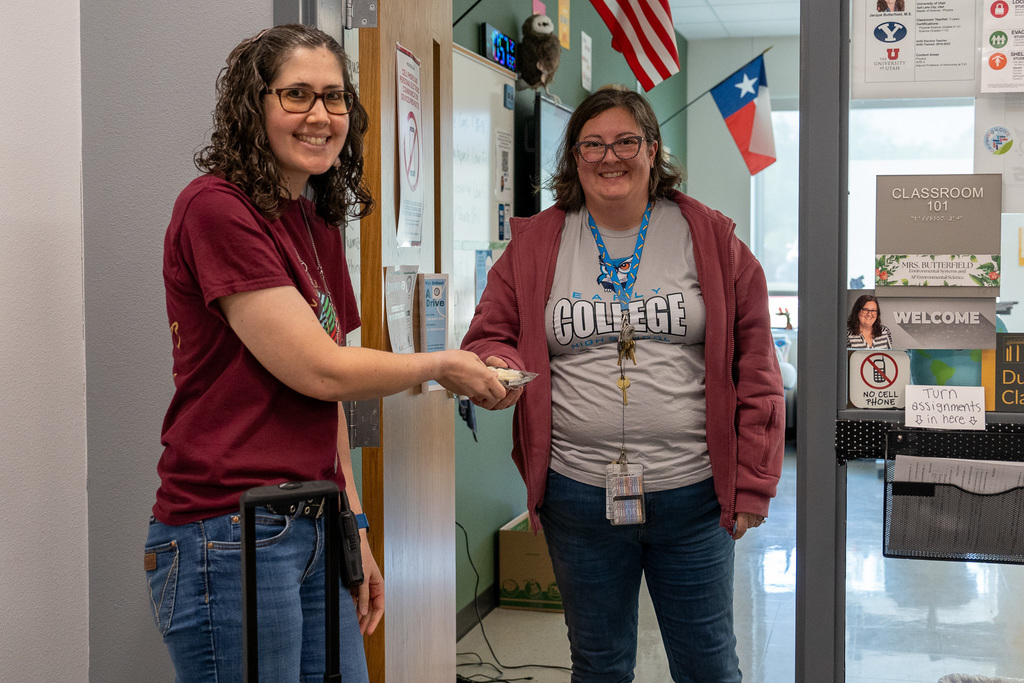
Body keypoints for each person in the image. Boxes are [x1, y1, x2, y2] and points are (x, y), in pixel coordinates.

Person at [143, 24, 506, 683]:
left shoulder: (314, 223)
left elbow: (328, 394)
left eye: (335, 98)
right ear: (254, 106)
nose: (320, 115)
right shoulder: (214, 209)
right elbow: (317, 364)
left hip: (312, 519)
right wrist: (442, 365)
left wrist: (354, 524)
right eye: (297, 95)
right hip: (230, 529)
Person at [461, 85, 785, 683]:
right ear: (574, 158)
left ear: (653, 150)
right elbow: (488, 333)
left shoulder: (711, 240)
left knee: (709, 664)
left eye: (626, 142)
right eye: (592, 145)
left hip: (694, 496)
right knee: (600, 663)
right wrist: (496, 364)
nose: (610, 157)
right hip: (577, 494)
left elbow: (758, 371)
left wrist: (753, 485)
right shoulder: (537, 245)